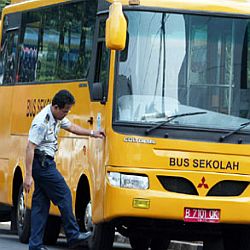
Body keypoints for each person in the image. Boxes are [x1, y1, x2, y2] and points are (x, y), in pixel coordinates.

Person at [24, 89, 105, 250]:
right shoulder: (42, 122)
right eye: (65, 110)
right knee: (64, 194)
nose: (66, 113)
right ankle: (73, 235)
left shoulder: (57, 116)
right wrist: (27, 176)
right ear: (55, 107)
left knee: (41, 205)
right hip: (43, 164)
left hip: (44, 163)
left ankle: (35, 246)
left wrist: (93, 133)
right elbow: (29, 147)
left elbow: (72, 127)